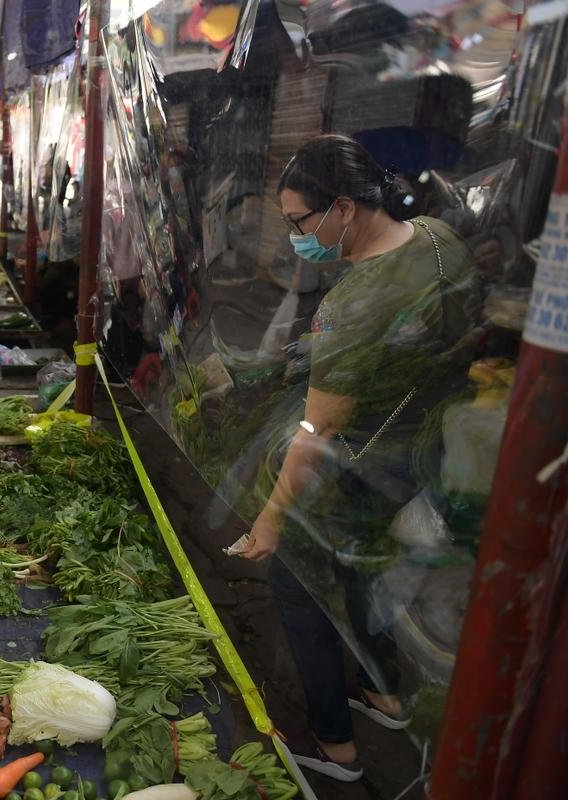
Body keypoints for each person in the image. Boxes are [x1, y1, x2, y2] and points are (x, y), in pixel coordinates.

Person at [235, 135, 479, 782]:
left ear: (344, 207)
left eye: (299, 222)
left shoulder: (354, 301)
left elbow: (315, 432)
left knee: (299, 583)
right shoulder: (437, 239)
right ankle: (389, 695)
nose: (294, 237)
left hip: (355, 466)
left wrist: (272, 518)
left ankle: (334, 745)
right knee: (365, 570)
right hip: (421, 456)